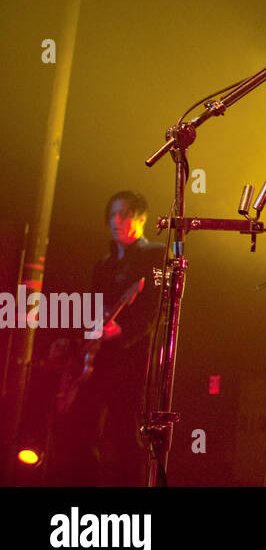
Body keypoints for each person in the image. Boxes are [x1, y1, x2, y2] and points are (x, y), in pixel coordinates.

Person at [51, 190, 164, 486]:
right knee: (81, 432)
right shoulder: (103, 265)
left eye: (124, 213)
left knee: (126, 436)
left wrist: (122, 330)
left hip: (130, 363)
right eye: (113, 214)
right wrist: (74, 341)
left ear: (141, 219)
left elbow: (154, 311)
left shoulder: (156, 256)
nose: (116, 220)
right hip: (95, 359)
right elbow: (92, 311)